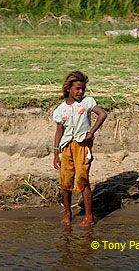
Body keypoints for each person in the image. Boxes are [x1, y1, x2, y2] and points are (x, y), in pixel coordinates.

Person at [53, 71, 107, 227]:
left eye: (83, 89)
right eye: (77, 88)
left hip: (82, 146)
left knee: (82, 178)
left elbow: (102, 114)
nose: (80, 92)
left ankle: (89, 218)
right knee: (65, 181)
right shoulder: (60, 110)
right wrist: (56, 153)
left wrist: (91, 133)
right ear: (68, 89)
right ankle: (67, 215)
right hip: (66, 147)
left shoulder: (87, 102)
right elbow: (59, 132)